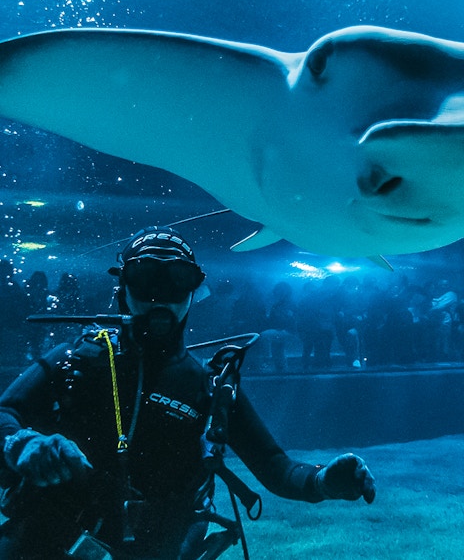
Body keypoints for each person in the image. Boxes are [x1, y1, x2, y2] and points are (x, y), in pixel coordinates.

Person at [0, 226, 375, 560]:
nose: (160, 295)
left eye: (178, 279)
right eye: (145, 277)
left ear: (194, 291)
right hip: (44, 539)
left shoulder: (210, 386)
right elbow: (5, 414)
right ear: (123, 288)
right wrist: (22, 443)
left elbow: (276, 467)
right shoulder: (74, 359)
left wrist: (323, 481)